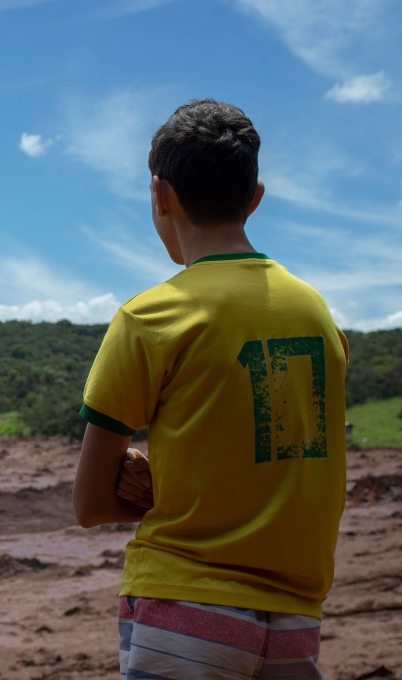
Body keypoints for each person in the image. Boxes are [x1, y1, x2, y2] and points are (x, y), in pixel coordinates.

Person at [72, 99, 348, 679]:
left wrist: (154, 488)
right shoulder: (318, 316)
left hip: (182, 609)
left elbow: (91, 504)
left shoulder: (151, 318)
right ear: (255, 197)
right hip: (295, 623)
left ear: (160, 195)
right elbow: (277, 459)